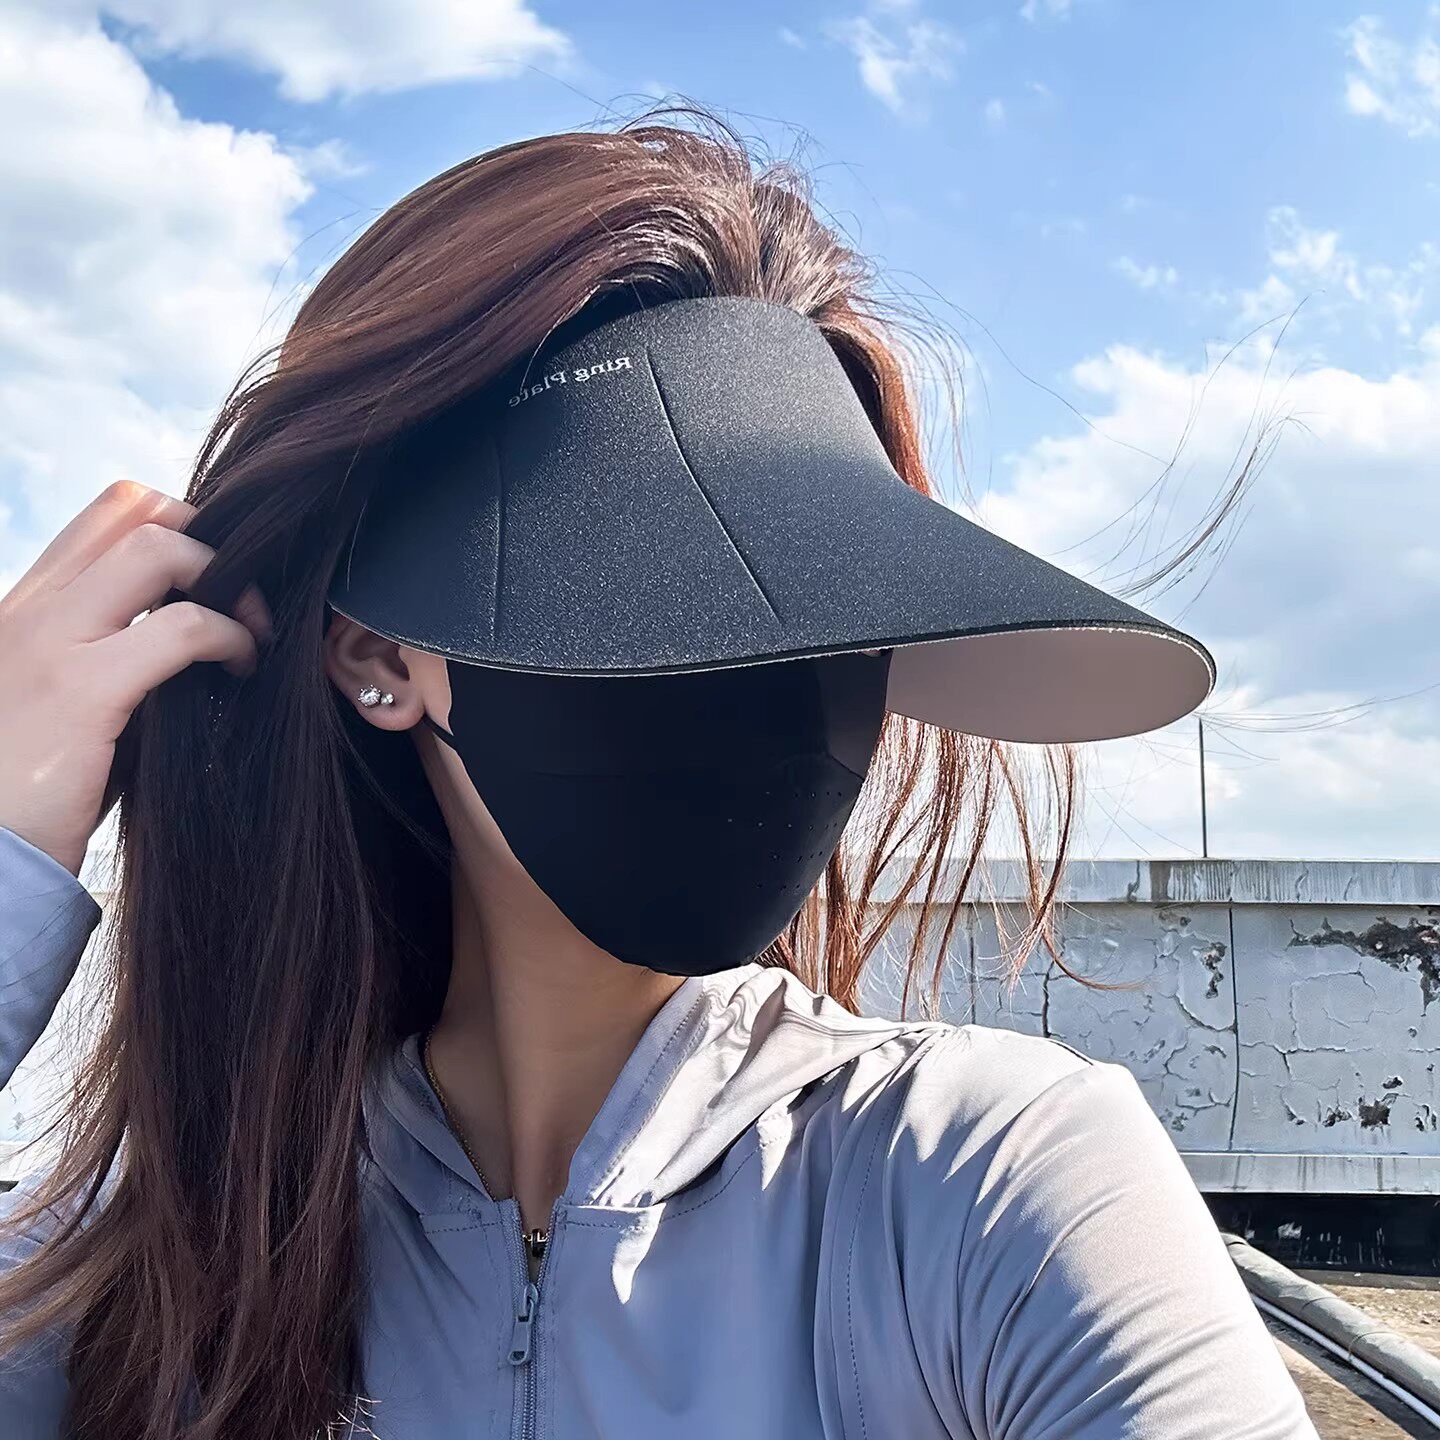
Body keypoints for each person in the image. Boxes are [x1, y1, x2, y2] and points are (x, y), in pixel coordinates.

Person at [0, 111, 1317, 1439]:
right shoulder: (154, 1287)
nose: (769, 684)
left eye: (838, 611)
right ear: (380, 657)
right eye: (652, 587)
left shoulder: (982, 1185)